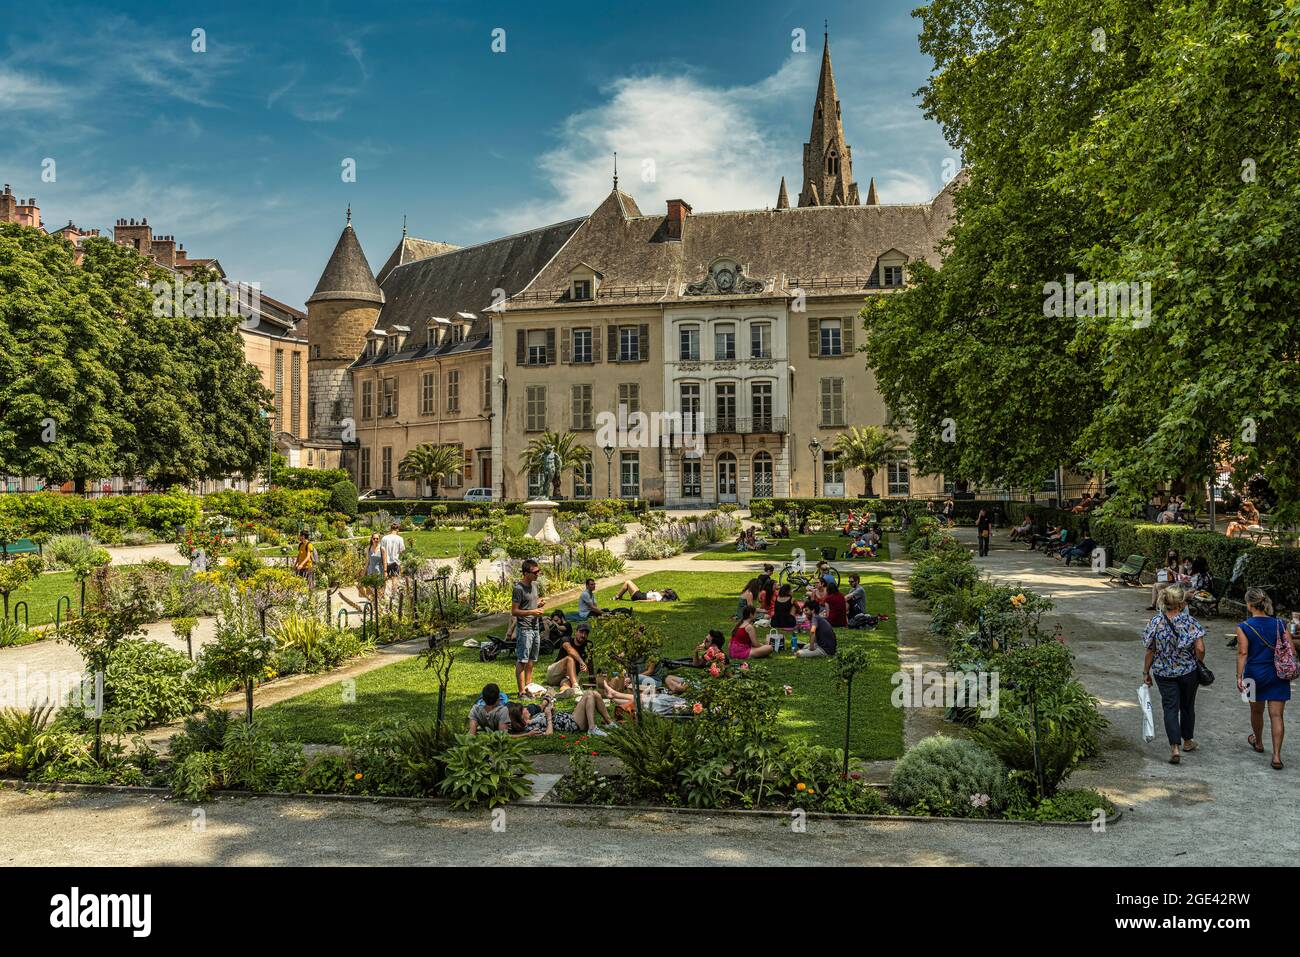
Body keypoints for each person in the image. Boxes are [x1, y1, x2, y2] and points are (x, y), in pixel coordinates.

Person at [1141, 586, 1206, 764]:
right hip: (1188, 671)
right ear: (1180, 603)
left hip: (1163, 672)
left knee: (1170, 707)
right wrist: (1198, 662)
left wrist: (1146, 672)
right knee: (1187, 706)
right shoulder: (1189, 621)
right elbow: (1200, 648)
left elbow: (1150, 651)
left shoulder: (1155, 622)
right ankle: (1187, 741)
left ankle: (1174, 748)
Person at [1236, 588, 1297, 770]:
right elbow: (1291, 650)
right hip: (1278, 674)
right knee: (1277, 715)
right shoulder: (1280, 624)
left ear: (1249, 604)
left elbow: (1243, 652)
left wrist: (1239, 676)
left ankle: (1259, 742)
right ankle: (1277, 756)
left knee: (1256, 712)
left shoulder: (1244, 627)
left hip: (1253, 674)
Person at [512, 559, 546, 696]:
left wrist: (538, 605)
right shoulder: (518, 589)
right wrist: (532, 612)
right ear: (526, 573)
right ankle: (521, 692)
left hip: (535, 627)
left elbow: (529, 605)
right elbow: (514, 611)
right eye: (535, 572)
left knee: (532, 659)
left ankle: (529, 686)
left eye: (538, 571)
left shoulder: (534, 585)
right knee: (522, 660)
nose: (538, 574)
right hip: (524, 629)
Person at [507, 694, 612, 737]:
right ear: (521, 716)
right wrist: (548, 717)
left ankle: (610, 723)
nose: (526, 709)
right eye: (523, 709)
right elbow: (548, 734)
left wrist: (550, 712)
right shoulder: (530, 727)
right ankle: (592, 728)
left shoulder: (531, 719)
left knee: (594, 693)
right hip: (573, 724)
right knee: (589, 695)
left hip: (570, 717)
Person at [545, 623, 591, 693]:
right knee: (570, 659)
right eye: (581, 632)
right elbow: (570, 650)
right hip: (554, 674)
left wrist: (586, 668)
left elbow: (589, 663)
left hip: (569, 676)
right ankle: (576, 687)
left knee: (566, 685)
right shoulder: (566, 639)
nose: (583, 635)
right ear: (576, 632)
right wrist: (581, 662)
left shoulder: (588, 645)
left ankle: (563, 692)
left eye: (586, 633)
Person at [380, 523, 405, 597]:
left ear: (390, 529)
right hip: (395, 561)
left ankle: (382, 595)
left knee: (384, 579)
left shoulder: (385, 538)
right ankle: (393, 595)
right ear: (397, 529)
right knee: (395, 579)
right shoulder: (400, 538)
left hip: (385, 561)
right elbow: (402, 550)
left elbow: (381, 549)